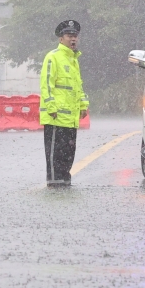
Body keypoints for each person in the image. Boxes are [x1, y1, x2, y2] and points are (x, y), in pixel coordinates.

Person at [40, 20, 89, 187]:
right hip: (56, 116)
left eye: (75, 36)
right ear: (61, 39)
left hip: (71, 118)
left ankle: (65, 179)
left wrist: (83, 105)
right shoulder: (53, 57)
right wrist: (51, 107)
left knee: (68, 152)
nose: (73, 39)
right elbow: (47, 84)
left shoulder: (74, 60)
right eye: (69, 36)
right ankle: (55, 181)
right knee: (55, 153)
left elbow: (77, 86)